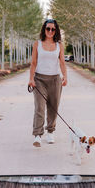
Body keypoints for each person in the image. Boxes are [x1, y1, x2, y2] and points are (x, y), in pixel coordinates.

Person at [28, 19, 67, 147]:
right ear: (44, 29)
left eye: (53, 29)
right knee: (39, 106)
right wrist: (31, 78)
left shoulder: (59, 45)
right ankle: (38, 135)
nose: (50, 31)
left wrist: (65, 76)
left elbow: (62, 62)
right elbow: (33, 63)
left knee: (53, 107)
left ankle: (50, 132)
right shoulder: (37, 44)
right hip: (39, 79)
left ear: (56, 31)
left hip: (55, 79)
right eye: (48, 28)